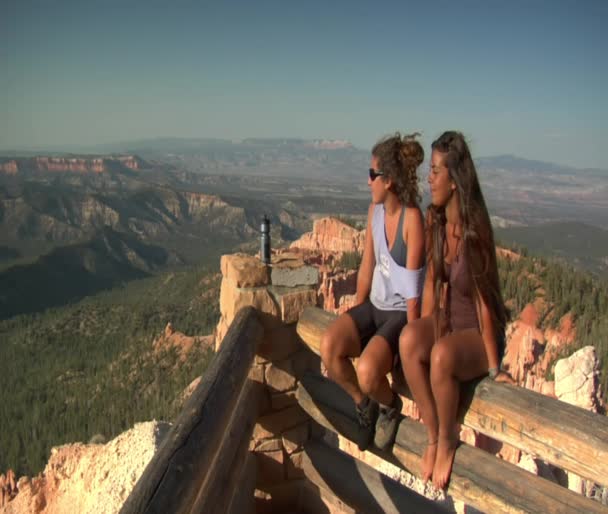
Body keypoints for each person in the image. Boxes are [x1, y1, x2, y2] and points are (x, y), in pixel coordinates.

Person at [399, 131, 514, 489]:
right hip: (451, 325)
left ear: (454, 180)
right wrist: (425, 333)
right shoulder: (437, 221)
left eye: (435, 171)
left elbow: (483, 304)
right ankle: (434, 434)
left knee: (443, 356)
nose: (429, 178)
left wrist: (496, 369)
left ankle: (448, 441)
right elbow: (434, 284)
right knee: (408, 341)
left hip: (480, 335)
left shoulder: (474, 230)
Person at [320, 132, 425, 451]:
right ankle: (364, 405)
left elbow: (413, 292)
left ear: (389, 180)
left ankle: (389, 405)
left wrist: (409, 349)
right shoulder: (374, 213)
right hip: (375, 308)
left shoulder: (413, 219)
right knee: (330, 346)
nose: (368, 182)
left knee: (367, 372)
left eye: (372, 174)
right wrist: (357, 316)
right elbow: (367, 265)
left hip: (398, 316)